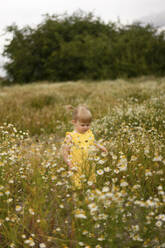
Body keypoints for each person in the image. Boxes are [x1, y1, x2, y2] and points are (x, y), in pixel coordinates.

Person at [61, 104, 107, 189]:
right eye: (82, 125)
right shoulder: (71, 136)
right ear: (74, 122)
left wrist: (100, 147)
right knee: (78, 184)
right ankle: (80, 197)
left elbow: (93, 142)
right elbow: (65, 151)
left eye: (88, 124)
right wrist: (69, 163)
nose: (86, 127)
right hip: (76, 165)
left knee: (91, 179)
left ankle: (93, 194)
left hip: (89, 163)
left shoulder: (89, 133)